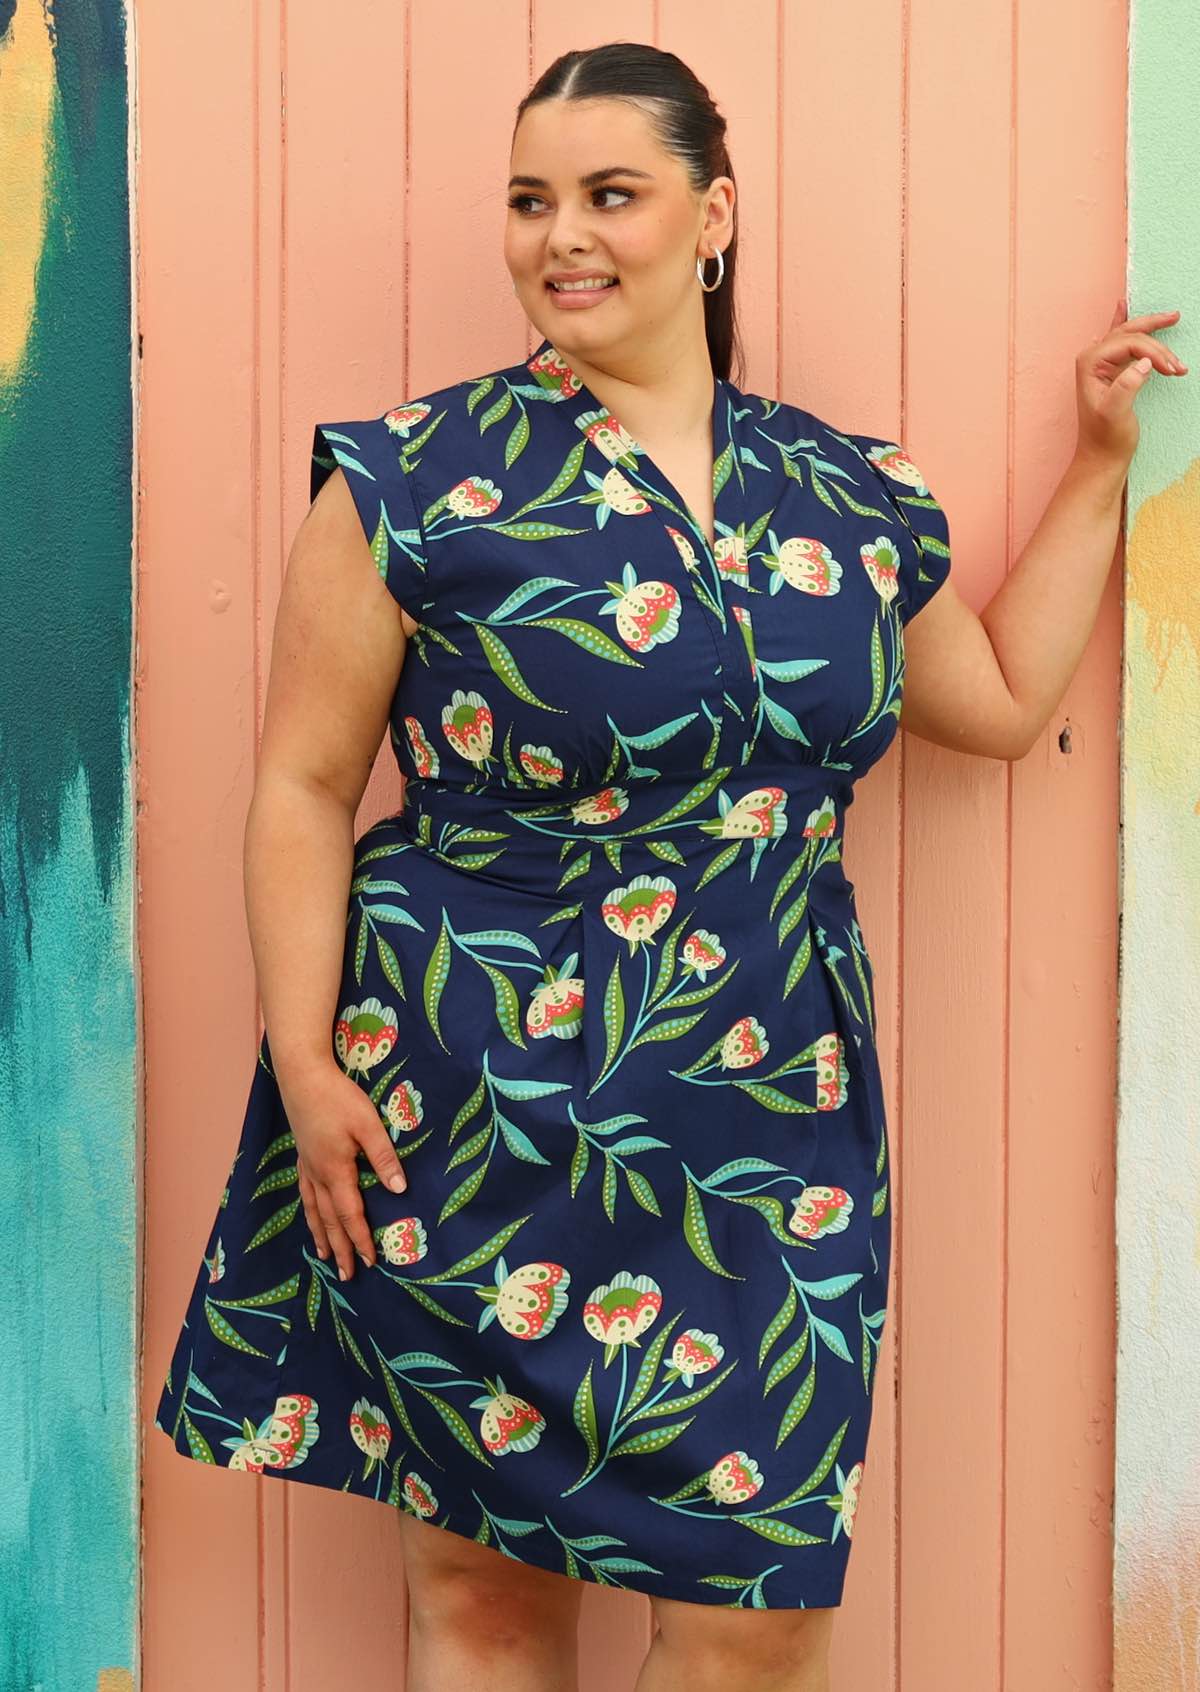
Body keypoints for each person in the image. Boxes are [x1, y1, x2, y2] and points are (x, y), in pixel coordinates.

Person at [154, 39, 1184, 1692]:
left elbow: (990, 702)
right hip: (468, 1092)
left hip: (771, 1111)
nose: (562, 236)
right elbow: (301, 781)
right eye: (529, 200)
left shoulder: (844, 488)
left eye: (610, 195)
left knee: (756, 1619)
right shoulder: (418, 480)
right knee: (488, 1600)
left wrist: (1098, 464)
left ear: (713, 216)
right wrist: (300, 1053)